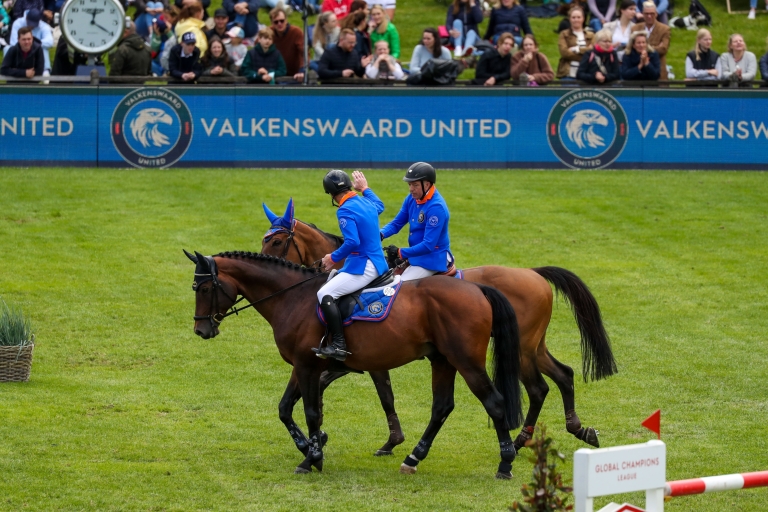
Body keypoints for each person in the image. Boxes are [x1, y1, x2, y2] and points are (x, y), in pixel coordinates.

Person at [313, 169, 388, 361]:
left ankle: (338, 345)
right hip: (378, 261)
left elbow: (352, 241)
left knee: (324, 293)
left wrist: (332, 257)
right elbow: (380, 205)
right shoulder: (365, 201)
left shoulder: (344, 210)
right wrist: (365, 189)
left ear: (331, 194)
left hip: (365, 265)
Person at [380, 162, 452, 283]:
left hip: (433, 258)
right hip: (417, 255)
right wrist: (380, 234)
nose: (411, 189)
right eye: (409, 184)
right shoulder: (412, 199)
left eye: (415, 185)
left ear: (427, 184)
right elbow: (396, 223)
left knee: (397, 286)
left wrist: (400, 252)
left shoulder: (436, 208)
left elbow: (428, 245)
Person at [631, 1, 669, 79]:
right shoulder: (635, 28)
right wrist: (655, 47)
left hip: (657, 69)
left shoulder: (664, 29)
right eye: (646, 14)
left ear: (656, 14)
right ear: (642, 14)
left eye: (652, 14)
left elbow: (663, 49)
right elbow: (631, 47)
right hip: (638, 70)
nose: (649, 16)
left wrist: (641, 47)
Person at [10, 8, 52, 74]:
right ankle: (12, 70)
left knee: (43, 48)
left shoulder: (44, 26)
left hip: (37, 53)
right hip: (20, 51)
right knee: (7, 48)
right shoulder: (17, 23)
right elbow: (13, 42)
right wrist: (27, 44)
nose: (31, 26)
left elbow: (50, 42)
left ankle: (45, 72)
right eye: (30, 23)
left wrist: (33, 45)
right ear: (26, 18)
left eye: (34, 24)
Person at [556, 6, 594, 79]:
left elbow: (593, 53)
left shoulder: (591, 35)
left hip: (587, 74)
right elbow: (565, 53)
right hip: (568, 73)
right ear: (569, 19)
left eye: (578, 17)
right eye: (573, 17)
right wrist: (586, 52)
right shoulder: (564, 34)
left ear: (583, 18)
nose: (576, 20)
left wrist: (576, 49)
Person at [270, 6, 305, 81]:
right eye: (276, 22)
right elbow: (257, 49)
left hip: (295, 75)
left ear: (286, 20)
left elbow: (304, 53)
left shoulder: (296, 32)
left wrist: (302, 70)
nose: (279, 24)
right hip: (274, 74)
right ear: (272, 23)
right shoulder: (268, 33)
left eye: (282, 21)